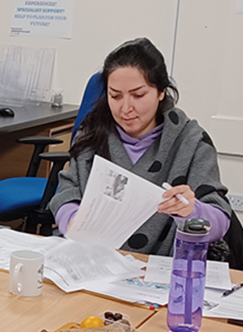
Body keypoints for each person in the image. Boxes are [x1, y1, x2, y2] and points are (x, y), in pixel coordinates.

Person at [50, 38, 232, 255]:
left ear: (161, 92)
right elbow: (67, 191)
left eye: (138, 95)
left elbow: (220, 220)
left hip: (161, 268)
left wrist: (193, 210)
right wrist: (71, 219)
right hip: (93, 260)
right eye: (115, 96)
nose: (126, 108)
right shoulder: (92, 132)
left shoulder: (191, 142)